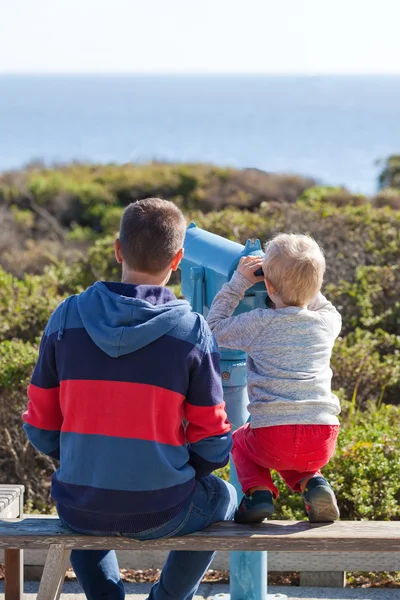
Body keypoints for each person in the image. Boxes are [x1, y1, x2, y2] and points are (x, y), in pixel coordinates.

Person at [23, 197, 236, 600]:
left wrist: (84, 455)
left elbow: (39, 426)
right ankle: (168, 597)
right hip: (165, 508)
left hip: (80, 504)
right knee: (223, 495)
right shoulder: (192, 332)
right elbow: (213, 440)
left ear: (118, 249)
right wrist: (173, 469)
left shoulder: (66, 317)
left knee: (84, 495)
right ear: (178, 260)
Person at [207, 233, 341, 524]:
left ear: (267, 284)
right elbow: (323, 304)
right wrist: (303, 282)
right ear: (318, 285)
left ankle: (258, 493)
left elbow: (213, 328)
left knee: (242, 441)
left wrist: (238, 283)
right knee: (297, 455)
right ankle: (314, 483)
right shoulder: (327, 322)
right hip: (322, 437)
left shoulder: (259, 323)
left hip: (272, 436)